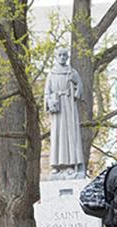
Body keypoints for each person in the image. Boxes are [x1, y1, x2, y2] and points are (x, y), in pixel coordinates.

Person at [44, 48, 85, 179]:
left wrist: (76, 83)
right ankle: (57, 165)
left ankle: (71, 164)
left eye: (64, 55)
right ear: (56, 56)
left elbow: (80, 89)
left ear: (67, 57)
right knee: (58, 136)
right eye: (59, 55)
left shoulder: (72, 72)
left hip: (69, 106)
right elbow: (47, 92)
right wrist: (50, 101)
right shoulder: (51, 74)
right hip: (58, 108)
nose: (62, 57)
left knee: (70, 135)